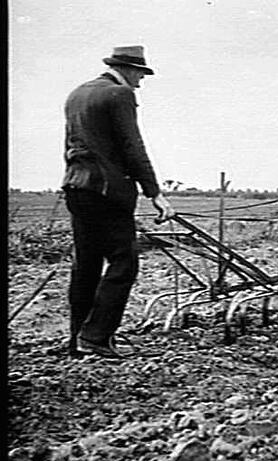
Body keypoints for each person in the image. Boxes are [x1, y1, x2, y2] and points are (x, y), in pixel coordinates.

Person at [62, 45, 175, 358]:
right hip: (108, 192)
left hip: (77, 188)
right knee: (124, 262)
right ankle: (96, 336)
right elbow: (132, 146)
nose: (141, 81)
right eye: (140, 73)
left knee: (86, 265)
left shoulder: (77, 94)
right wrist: (154, 192)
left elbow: (72, 145)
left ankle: (77, 340)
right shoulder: (119, 94)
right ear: (127, 69)